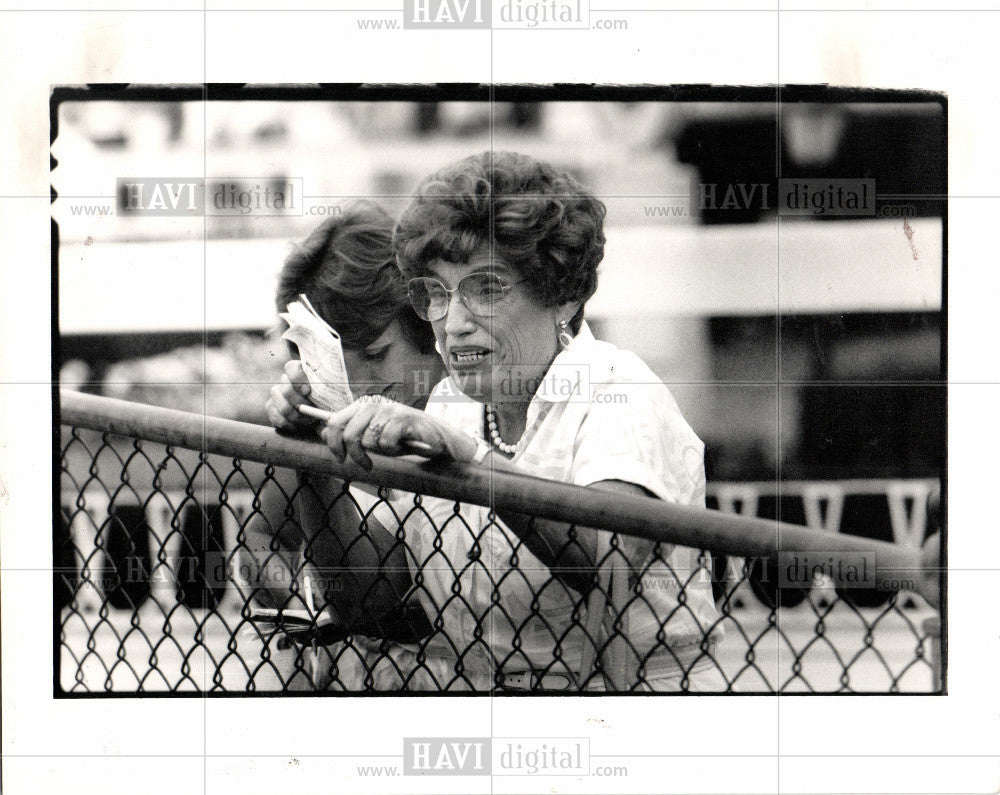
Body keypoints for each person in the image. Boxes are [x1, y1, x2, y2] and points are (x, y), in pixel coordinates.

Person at [313, 151, 725, 691]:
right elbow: (374, 598)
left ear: (563, 295)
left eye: (485, 289)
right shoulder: (450, 405)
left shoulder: (617, 388)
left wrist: (472, 464)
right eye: (436, 293)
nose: (453, 324)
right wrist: (313, 462)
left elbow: (607, 563)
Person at [240, 201, 446, 687]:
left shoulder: (477, 410)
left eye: (377, 353)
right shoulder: (327, 415)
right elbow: (259, 539)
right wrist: (301, 600)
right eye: (338, 360)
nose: (360, 382)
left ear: (425, 322)